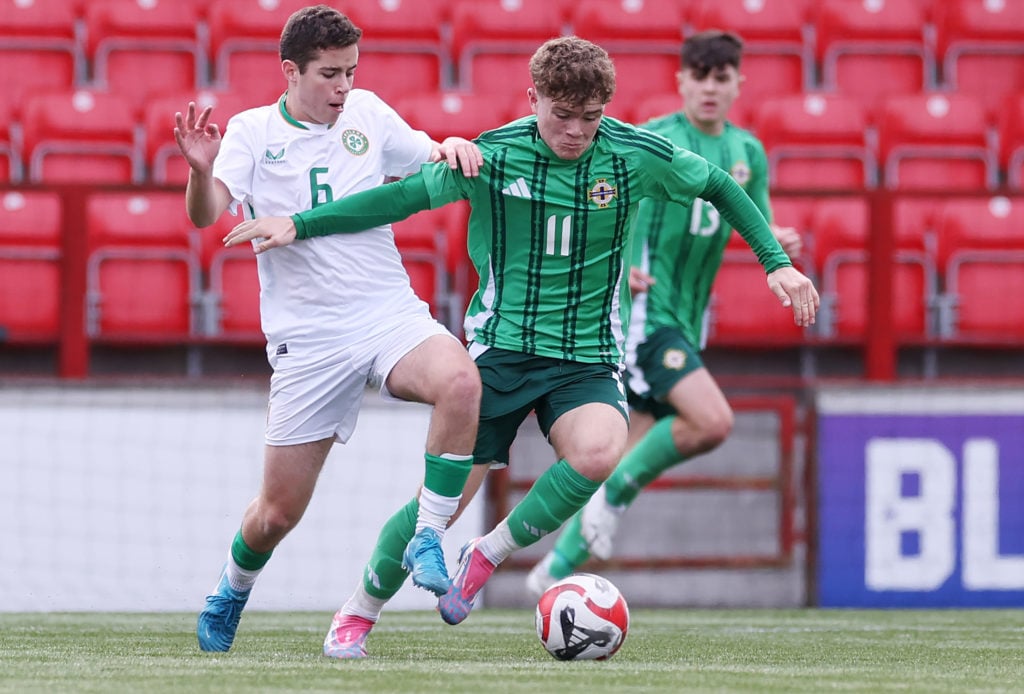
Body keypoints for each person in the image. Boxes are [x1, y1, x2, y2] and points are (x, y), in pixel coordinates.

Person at [224, 35, 820, 659]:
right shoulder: (494, 155)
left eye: (590, 119)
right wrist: (301, 222)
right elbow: (400, 198)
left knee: (598, 453)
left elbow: (721, 185)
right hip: (501, 352)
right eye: (561, 116)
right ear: (533, 98)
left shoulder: (633, 154)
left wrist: (775, 263)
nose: (575, 132)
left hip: (586, 356)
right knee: (442, 508)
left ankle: (491, 555)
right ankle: (357, 613)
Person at [175, 5, 485, 654]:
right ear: (291, 72)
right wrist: (202, 173)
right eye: (329, 75)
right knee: (275, 514)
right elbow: (207, 215)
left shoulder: (368, 114)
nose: (344, 87)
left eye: (351, 71)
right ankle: (231, 587)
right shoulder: (253, 132)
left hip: (385, 312)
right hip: (308, 338)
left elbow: (431, 157)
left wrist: (450, 147)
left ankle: (428, 533)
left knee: (460, 382)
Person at [525, 30, 806, 595]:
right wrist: (619, 264)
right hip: (648, 311)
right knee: (711, 420)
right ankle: (600, 510)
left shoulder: (748, 152)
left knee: (623, 455)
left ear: (736, 85)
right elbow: (611, 200)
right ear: (681, 82)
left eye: (720, 78)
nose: (709, 88)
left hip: (689, 315)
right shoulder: (655, 138)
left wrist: (774, 241)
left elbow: (752, 216)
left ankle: (551, 575)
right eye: (698, 76)